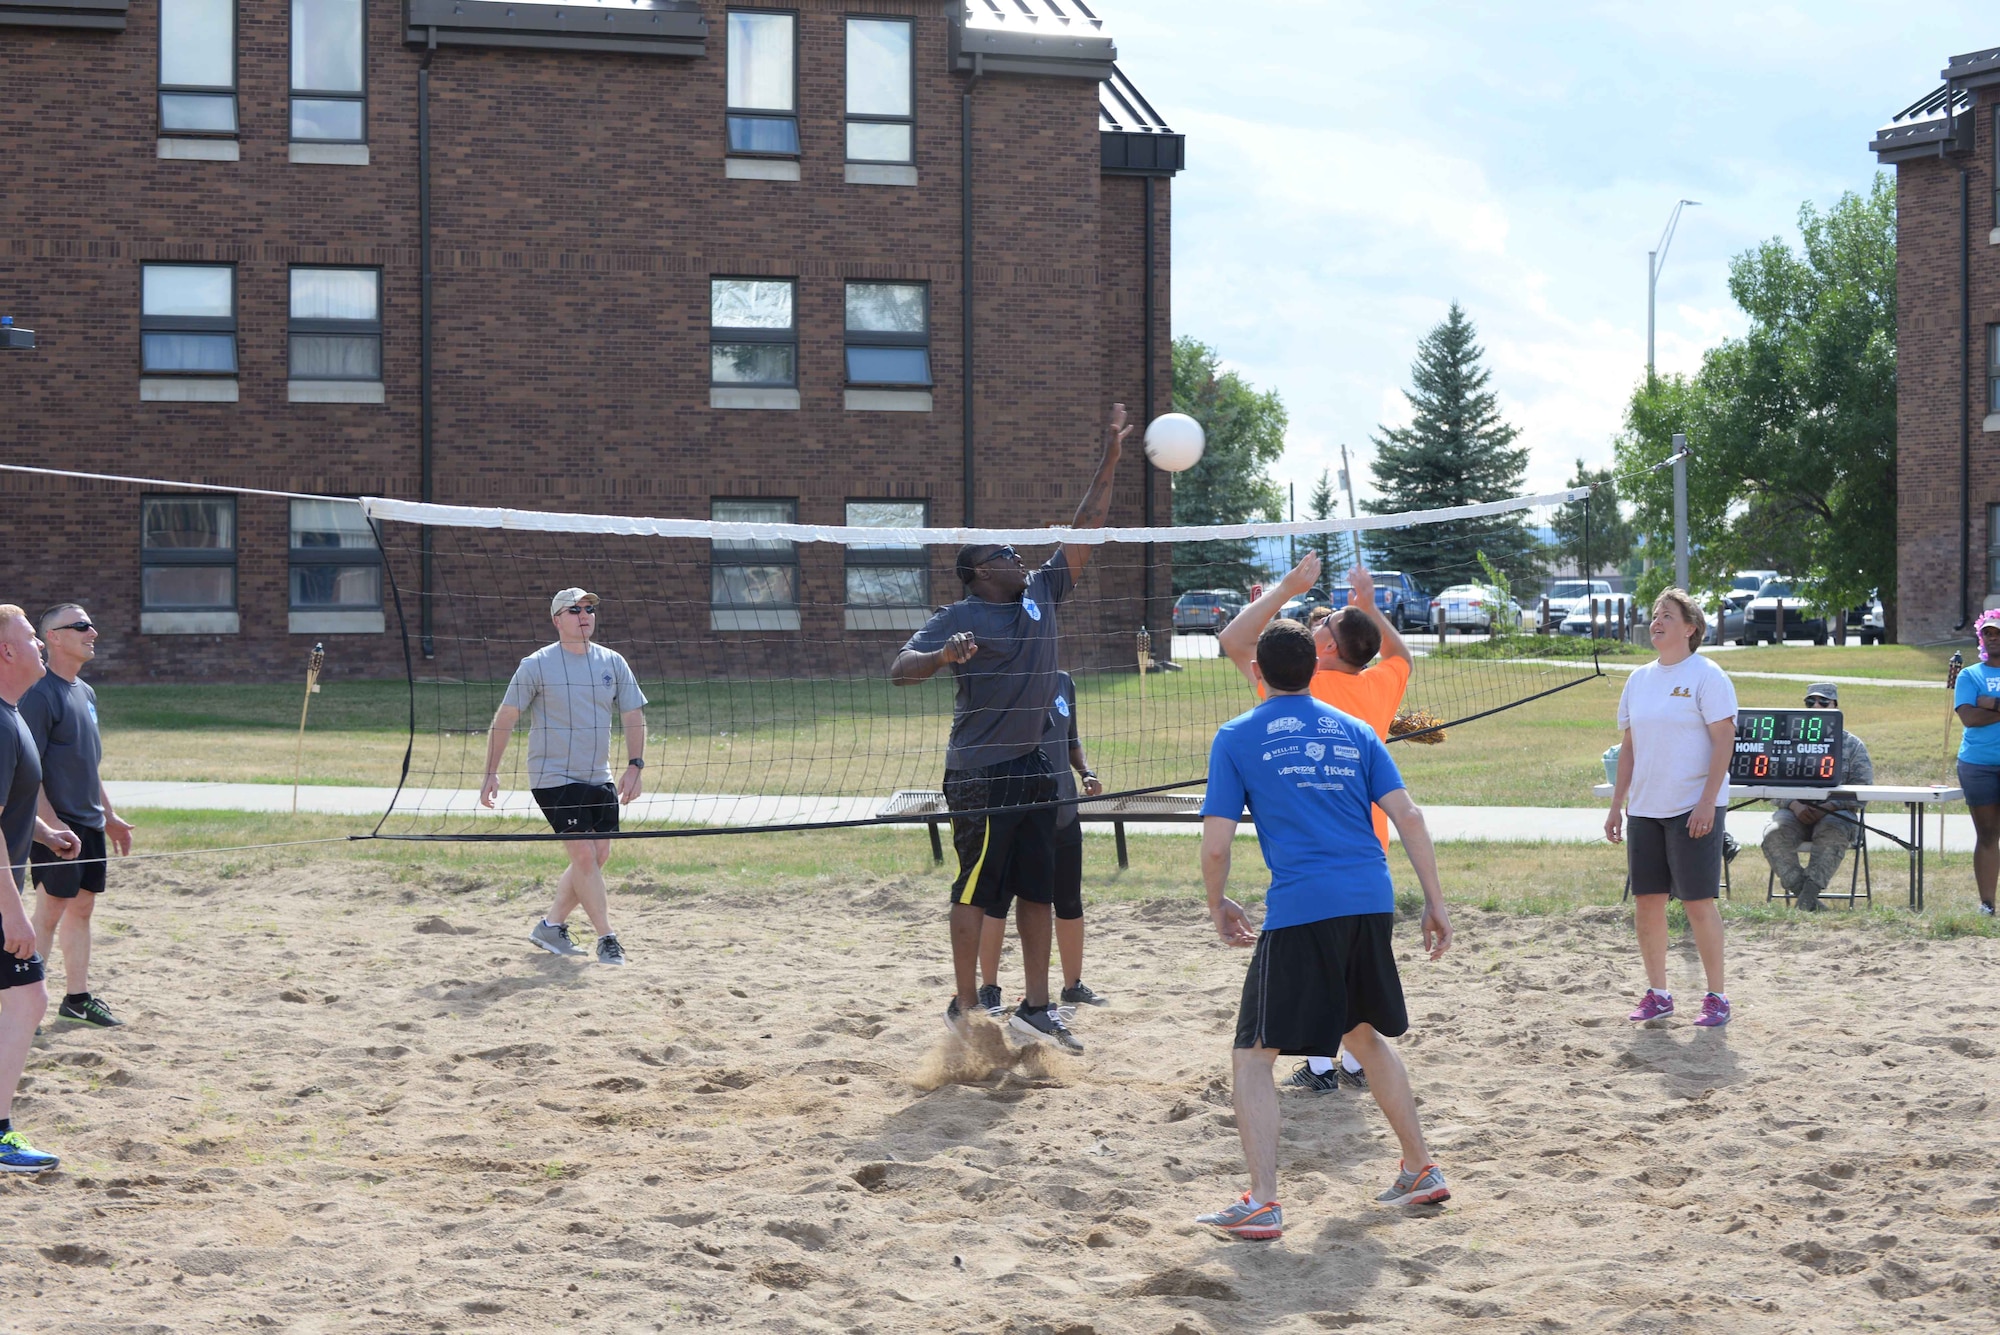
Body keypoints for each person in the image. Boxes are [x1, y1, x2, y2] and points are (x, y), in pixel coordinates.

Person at [1193, 619, 1453, 1240]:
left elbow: (1215, 846)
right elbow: (1409, 818)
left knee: (1253, 1055)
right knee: (1361, 1034)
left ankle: (1263, 1199)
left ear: (1258, 672)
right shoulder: (1358, 730)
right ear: (1314, 670)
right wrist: (1436, 902)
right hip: (1370, 899)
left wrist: (1216, 902)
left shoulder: (1237, 735)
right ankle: (1420, 1168)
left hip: (1304, 906)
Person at [891, 403, 1130, 1051]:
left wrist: (1110, 457)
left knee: (1038, 888)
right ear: (978, 572)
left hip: (1034, 768)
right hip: (980, 773)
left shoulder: (1044, 591)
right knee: (975, 887)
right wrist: (942, 656)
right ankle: (966, 1004)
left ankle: (1035, 1005)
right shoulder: (957, 613)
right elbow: (899, 667)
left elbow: (1089, 524)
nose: (1017, 552)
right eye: (1003, 551)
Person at [1218, 551, 1415, 1092]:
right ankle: (1349, 1064)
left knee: (1315, 960)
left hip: (1312, 846)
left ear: (1325, 649)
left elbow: (1235, 643)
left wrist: (1284, 590)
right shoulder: (1376, 688)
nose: (1318, 618)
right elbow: (1402, 657)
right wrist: (1372, 609)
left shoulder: (1308, 690)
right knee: (1352, 962)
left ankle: (1325, 1066)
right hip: (1368, 851)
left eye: (1323, 622)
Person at [480, 588, 648, 965]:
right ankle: (608, 937)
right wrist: (491, 772)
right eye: (574, 610)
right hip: (552, 776)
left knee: (598, 854)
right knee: (584, 856)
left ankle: (551, 926)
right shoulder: (536, 664)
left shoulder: (612, 661)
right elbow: (506, 718)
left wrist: (635, 766)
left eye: (589, 608)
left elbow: (633, 716)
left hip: (598, 775)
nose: (584, 614)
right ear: (557, 620)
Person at [1604, 589, 1737, 1027]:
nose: (1656, 621)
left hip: (1692, 807)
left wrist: (1707, 802)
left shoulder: (1707, 676)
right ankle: (1658, 993)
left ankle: (1717, 996)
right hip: (1645, 809)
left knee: (1698, 902)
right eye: (1655, 615)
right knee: (1647, 902)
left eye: (1667, 615)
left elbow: (1724, 741)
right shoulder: (1638, 679)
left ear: (1690, 628)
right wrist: (1616, 805)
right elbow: (1629, 748)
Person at [22, 605, 135, 1027]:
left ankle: (76, 998)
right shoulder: (39, 693)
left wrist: (109, 815)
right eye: (82, 626)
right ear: (53, 637)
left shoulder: (84, 691)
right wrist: (51, 827)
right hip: (57, 827)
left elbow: (88, 764)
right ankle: (25, 1002)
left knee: (82, 908)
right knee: (49, 911)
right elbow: (27, 772)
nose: (94, 632)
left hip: (87, 824)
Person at [974, 670, 1108, 1018]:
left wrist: (1086, 773)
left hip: (1061, 808)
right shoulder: (1002, 678)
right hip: (1014, 810)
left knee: (1068, 900)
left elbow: (1071, 741)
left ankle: (1073, 985)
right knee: (998, 902)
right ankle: (988, 989)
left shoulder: (1064, 682)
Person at [0, 604, 81, 1173]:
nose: (38, 646)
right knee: (28, 999)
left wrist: (46, 833)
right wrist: (13, 915)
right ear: (6, 652)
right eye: (31, 638)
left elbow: (11, 807)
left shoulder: (13, 716)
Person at [1759, 682, 1872, 912]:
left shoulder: (1853, 745)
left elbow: (1863, 790)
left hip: (1836, 815)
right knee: (1772, 834)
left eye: (1823, 701)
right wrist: (1794, 805)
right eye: (1811, 702)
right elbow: (1770, 785)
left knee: (1833, 830)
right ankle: (1807, 898)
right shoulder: (1787, 740)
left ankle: (1807, 898)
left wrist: (1828, 807)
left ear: (1836, 706)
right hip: (1793, 813)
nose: (1817, 706)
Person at [1953, 611, 2000, 916]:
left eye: (1998, 633)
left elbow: (1982, 711)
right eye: (1988, 634)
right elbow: (1969, 718)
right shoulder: (1969, 675)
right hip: (1978, 766)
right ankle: (1987, 904)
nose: (1993, 638)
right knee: (1987, 834)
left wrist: (1993, 704)